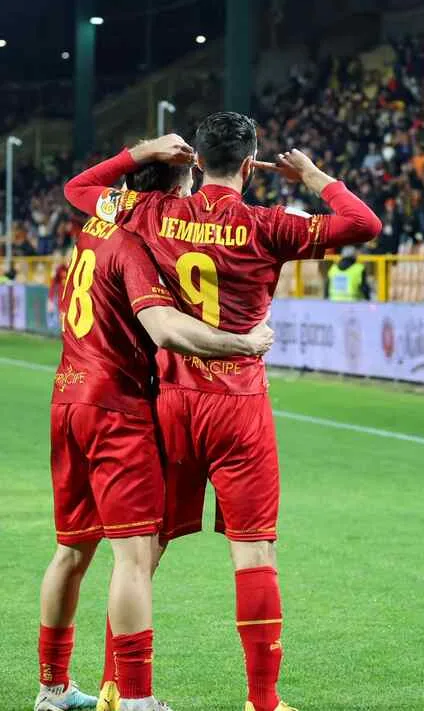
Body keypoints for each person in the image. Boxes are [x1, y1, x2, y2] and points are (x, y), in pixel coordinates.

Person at [64, 116, 382, 711]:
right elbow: (365, 224)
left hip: (169, 400)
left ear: (194, 160)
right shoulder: (270, 225)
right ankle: (263, 702)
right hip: (239, 405)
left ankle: (116, 688)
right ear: (250, 163)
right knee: (254, 552)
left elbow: (79, 190)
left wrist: (142, 153)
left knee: (141, 551)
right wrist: (313, 176)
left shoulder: (152, 211)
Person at [37, 135, 274, 711]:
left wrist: (139, 153)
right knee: (134, 558)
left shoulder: (96, 226)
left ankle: (52, 689)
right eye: (186, 188)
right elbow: (165, 330)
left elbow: (79, 186)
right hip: (115, 410)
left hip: (67, 398)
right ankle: (137, 700)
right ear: (172, 192)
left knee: (71, 552)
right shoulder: (133, 246)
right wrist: (243, 343)